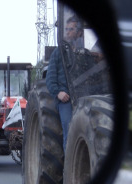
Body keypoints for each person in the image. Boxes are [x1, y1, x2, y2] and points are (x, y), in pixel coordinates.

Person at [45, 16, 83, 152]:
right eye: (66, 29)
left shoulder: (84, 54)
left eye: (71, 29)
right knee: (69, 128)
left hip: (83, 97)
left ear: (79, 33)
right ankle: (68, 170)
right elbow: (50, 78)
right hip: (65, 99)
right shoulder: (58, 53)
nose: (67, 32)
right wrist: (58, 92)